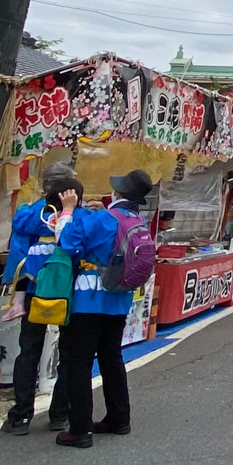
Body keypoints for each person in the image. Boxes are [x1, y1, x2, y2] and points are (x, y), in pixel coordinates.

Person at [53, 169, 152, 447]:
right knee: (111, 358)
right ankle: (119, 418)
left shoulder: (102, 219)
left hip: (89, 299)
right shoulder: (136, 219)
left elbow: (67, 242)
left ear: (118, 193)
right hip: (119, 301)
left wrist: (68, 211)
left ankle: (80, 429)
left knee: (78, 363)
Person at [0, 167, 81, 435]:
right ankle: (60, 414)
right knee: (69, 353)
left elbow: (18, 255)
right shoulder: (78, 215)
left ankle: (21, 415)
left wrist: (17, 294)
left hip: (34, 289)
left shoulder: (29, 214)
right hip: (68, 293)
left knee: (29, 352)